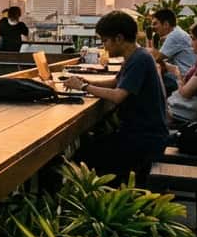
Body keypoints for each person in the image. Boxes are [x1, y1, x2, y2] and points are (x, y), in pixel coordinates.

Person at [65, 10, 169, 183]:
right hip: (142, 134)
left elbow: (118, 96)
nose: (104, 46)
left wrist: (84, 86)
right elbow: (115, 82)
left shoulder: (140, 60)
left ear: (119, 38)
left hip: (144, 140)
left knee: (81, 158)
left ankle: (101, 201)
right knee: (89, 145)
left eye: (105, 40)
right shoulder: (136, 56)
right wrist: (86, 81)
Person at [149, 8, 194, 92]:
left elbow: (155, 58)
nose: (153, 28)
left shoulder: (175, 35)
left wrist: (149, 39)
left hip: (183, 81)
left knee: (146, 83)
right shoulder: (177, 32)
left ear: (166, 24)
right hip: (183, 77)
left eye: (155, 24)